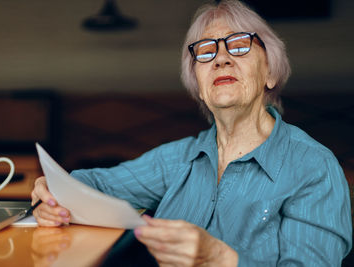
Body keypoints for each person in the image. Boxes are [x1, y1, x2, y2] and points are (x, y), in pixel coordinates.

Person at [31, 0, 352, 265]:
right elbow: (96, 184)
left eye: (239, 45)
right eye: (206, 51)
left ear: (270, 73)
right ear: (198, 86)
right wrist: (52, 192)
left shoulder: (313, 167)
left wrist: (221, 259)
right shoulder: (178, 158)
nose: (221, 58)